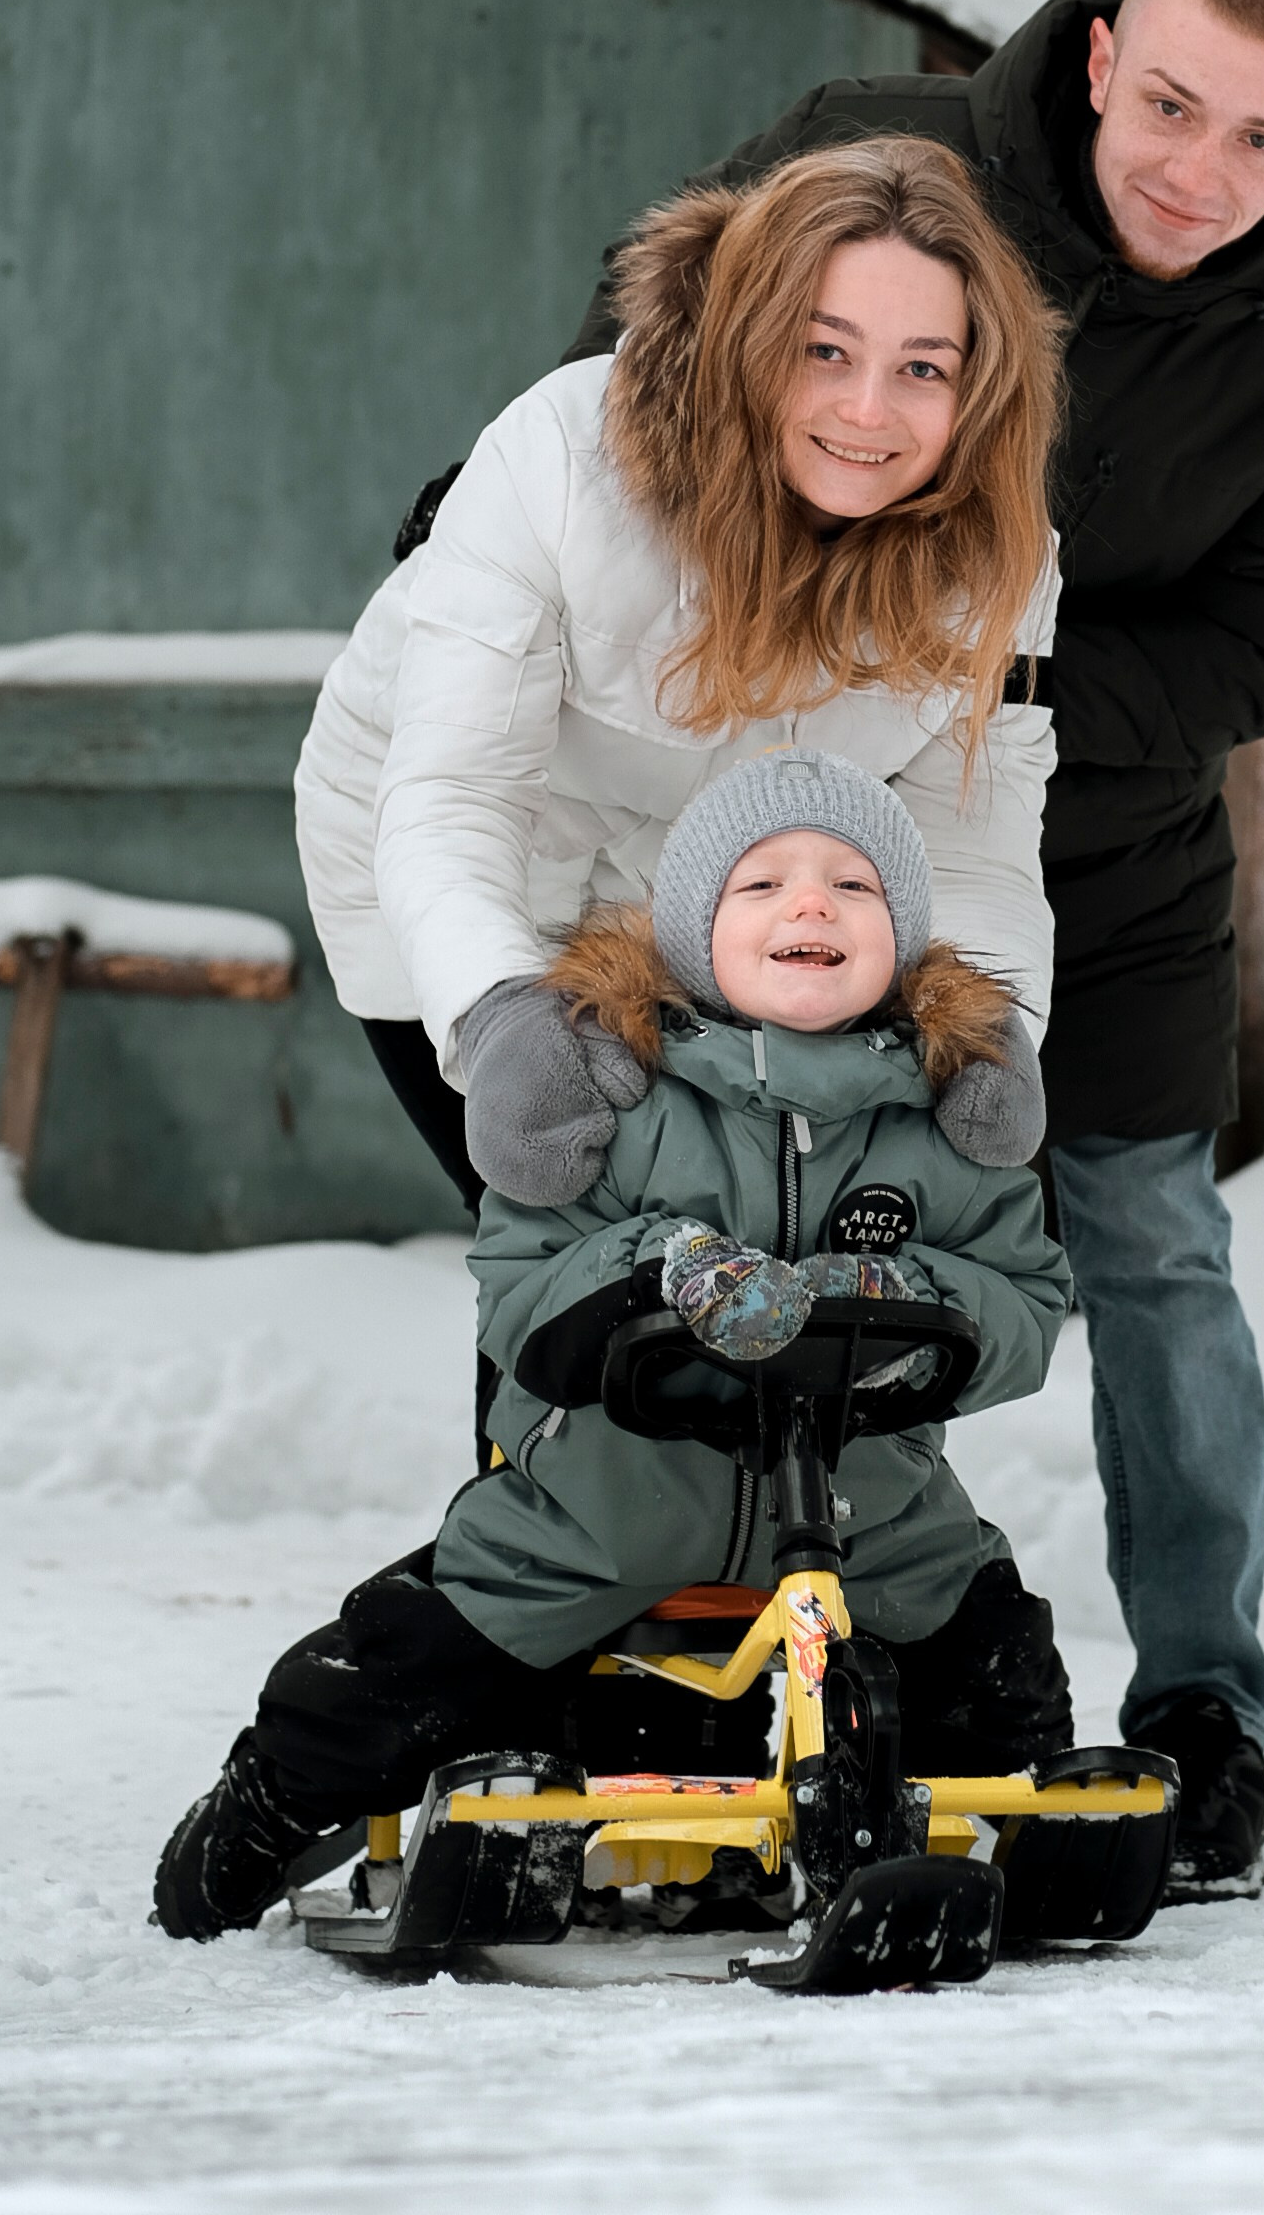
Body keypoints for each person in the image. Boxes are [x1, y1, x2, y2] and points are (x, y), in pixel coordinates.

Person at [561, 0, 1264, 1899]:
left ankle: (1206, 1710)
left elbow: (1262, 653)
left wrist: (999, 689)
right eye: (1173, 105)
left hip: (1104, 860)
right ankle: (623, 1644)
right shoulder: (873, 154)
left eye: (1258, 140)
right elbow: (624, 391)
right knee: (681, 1201)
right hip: (774, 828)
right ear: (1109, 50)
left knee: (1149, 1249)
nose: (1194, 171)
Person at [153, 751, 1075, 1942]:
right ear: (693, 931)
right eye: (764, 887)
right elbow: (520, 1290)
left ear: (900, 932)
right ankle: (264, 1807)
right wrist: (662, 1271)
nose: (812, 905)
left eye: (854, 885)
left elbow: (1026, 1296)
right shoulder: (613, 1090)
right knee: (394, 1675)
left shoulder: (943, 1116)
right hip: (592, 1518)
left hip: (871, 1522)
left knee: (1002, 1664)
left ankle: (1031, 1843)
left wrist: (904, 1299)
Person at [295, 136, 1064, 1249]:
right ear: (753, 339)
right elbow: (456, 796)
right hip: (459, 861)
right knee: (557, 1238)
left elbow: (974, 831)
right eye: (824, 349)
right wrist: (499, 1010)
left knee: (738, 1254)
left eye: (922, 368)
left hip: (720, 914)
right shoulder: (561, 458)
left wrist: (991, 1032)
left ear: (977, 385)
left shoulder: (1002, 554)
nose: (866, 410)